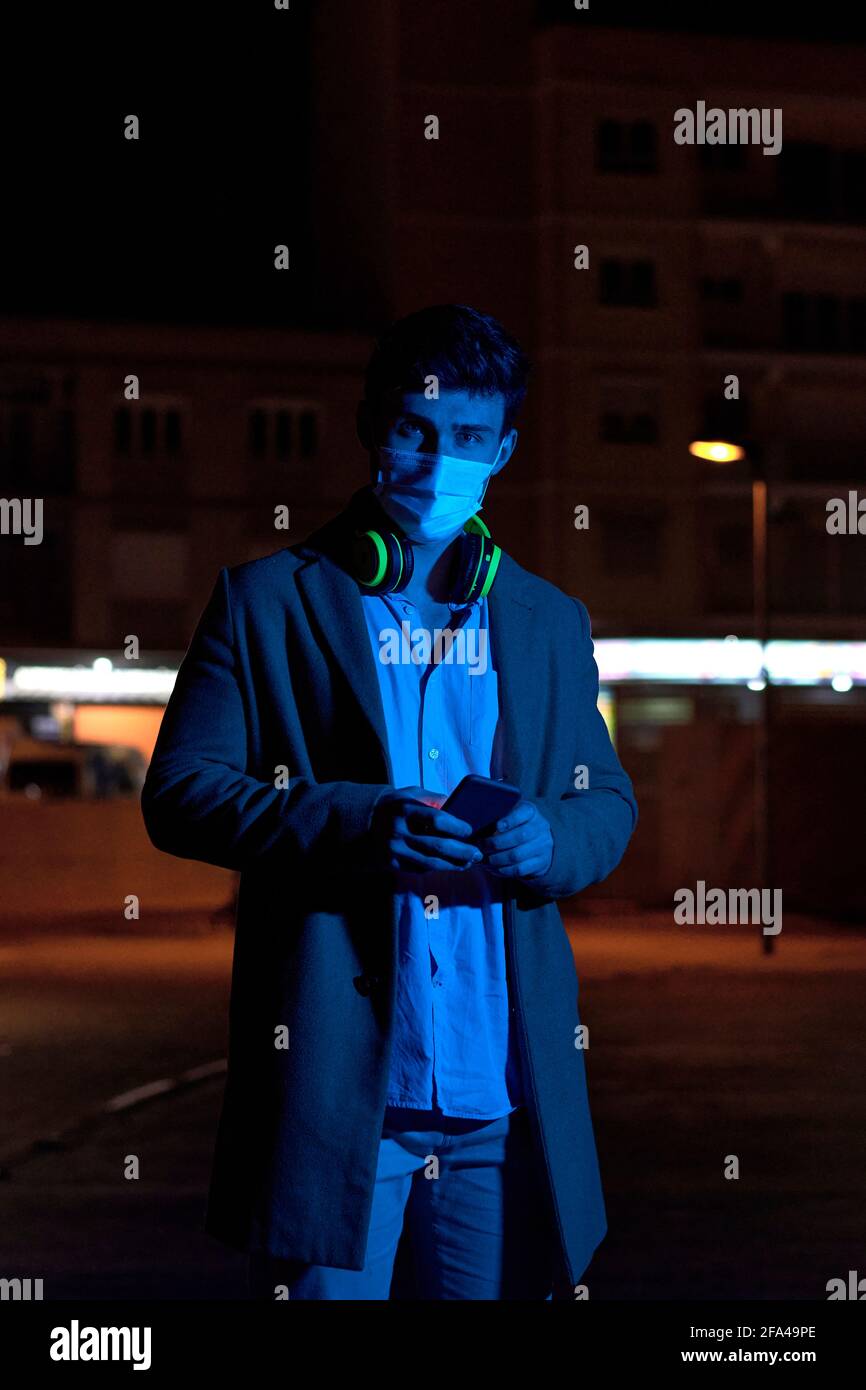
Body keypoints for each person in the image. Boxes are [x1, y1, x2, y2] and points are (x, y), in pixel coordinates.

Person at [141, 303, 638, 1300]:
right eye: (415, 430)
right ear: (372, 426)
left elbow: (606, 802)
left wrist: (550, 838)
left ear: (500, 446)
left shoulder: (546, 619)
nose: (437, 459)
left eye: (466, 438)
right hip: (339, 1095)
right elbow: (181, 793)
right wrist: (357, 819)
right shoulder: (266, 600)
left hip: (501, 1096)